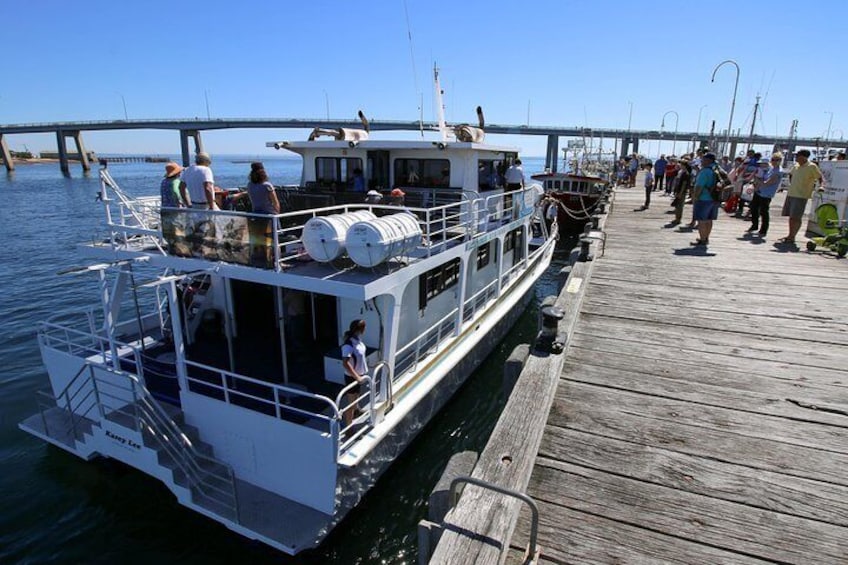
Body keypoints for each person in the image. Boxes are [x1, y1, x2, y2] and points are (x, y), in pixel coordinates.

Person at [777, 149, 823, 245]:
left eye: (797, 156)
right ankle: (790, 235)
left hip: (801, 195)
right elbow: (791, 175)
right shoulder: (796, 166)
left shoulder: (812, 166)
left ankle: (792, 236)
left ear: (803, 156)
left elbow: (819, 177)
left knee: (796, 217)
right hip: (791, 193)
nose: (796, 157)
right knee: (791, 217)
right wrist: (791, 184)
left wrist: (821, 186)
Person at [747, 153, 783, 237]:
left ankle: (763, 230)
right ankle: (754, 225)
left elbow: (767, 183)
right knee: (753, 208)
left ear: (780, 161)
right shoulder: (771, 169)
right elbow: (762, 178)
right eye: (773, 159)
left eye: (776, 160)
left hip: (766, 194)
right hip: (759, 191)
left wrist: (758, 180)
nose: (774, 161)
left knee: (764, 211)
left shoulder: (778, 172)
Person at [341, 319, 368, 426]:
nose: (365, 329)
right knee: (351, 404)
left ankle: (357, 410)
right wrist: (357, 377)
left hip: (359, 375)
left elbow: (360, 357)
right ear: (360, 329)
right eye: (364, 327)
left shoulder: (358, 340)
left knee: (357, 396)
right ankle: (349, 428)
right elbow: (345, 363)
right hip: (352, 377)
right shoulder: (348, 345)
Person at [690, 152, 720, 246]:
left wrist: (695, 197)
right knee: (709, 220)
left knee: (702, 220)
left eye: (703, 159)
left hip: (704, 198)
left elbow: (699, 186)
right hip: (714, 198)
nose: (701, 161)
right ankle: (706, 238)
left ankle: (702, 239)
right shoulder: (716, 169)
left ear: (708, 160)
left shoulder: (705, 171)